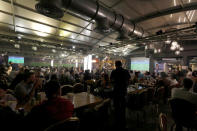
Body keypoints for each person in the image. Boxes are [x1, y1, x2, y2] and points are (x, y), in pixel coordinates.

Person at [110, 61, 130, 130]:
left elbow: (111, 81)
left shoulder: (113, 72)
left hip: (116, 91)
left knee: (116, 107)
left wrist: (115, 84)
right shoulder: (126, 71)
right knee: (123, 107)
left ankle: (117, 122)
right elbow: (128, 81)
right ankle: (123, 122)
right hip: (123, 91)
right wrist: (125, 86)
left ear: (115, 65)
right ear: (121, 65)